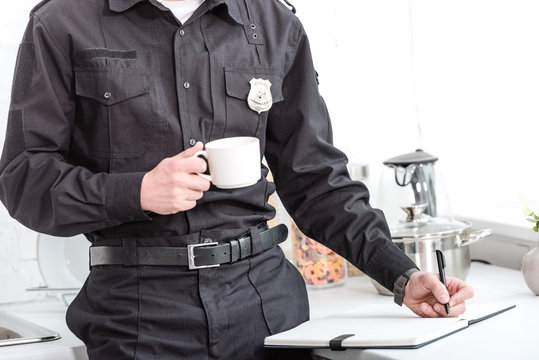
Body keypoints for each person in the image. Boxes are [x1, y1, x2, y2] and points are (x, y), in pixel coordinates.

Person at [0, 0, 473, 359]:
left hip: (270, 309)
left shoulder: (272, 21)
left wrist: (401, 275)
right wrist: (137, 191)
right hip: (137, 317)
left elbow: (318, 180)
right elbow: (23, 179)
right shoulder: (62, 21)